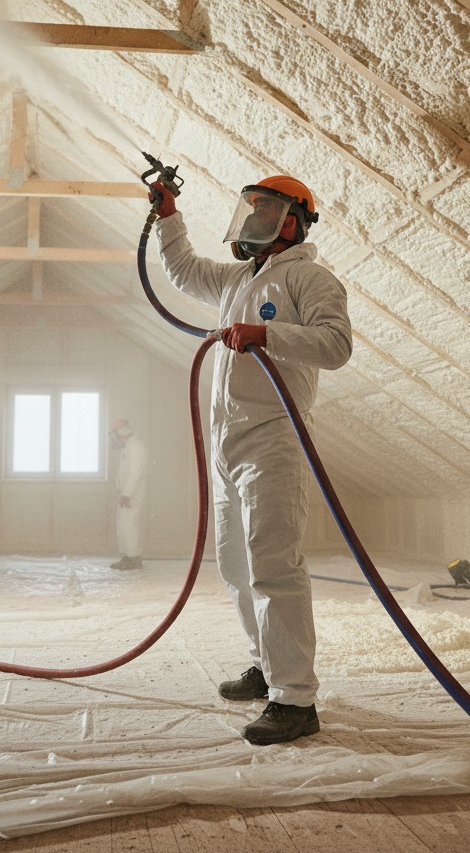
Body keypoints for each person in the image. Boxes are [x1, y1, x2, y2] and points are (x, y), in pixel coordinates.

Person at [149, 174, 352, 745]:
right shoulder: (240, 278)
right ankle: (266, 664)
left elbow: (336, 345)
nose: (254, 215)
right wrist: (169, 214)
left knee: (273, 564)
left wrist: (267, 334)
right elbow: (185, 270)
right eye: (252, 206)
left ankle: (295, 699)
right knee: (235, 564)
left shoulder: (310, 278)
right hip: (228, 444)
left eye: (266, 207)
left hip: (274, 440)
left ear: (295, 219)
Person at [109, 418, 147, 570]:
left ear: (121, 433)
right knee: (123, 523)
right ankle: (127, 556)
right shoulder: (128, 446)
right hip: (127, 492)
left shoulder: (135, 447)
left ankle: (133, 558)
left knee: (129, 523)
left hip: (133, 492)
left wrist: (127, 494)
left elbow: (135, 473)